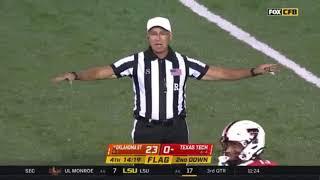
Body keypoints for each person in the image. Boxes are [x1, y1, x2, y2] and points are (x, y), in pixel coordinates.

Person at [52, 17, 279, 144]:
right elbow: (104, 71)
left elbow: (220, 73)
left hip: (177, 129)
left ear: (170, 36)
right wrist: (76, 75)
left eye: (162, 33)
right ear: (148, 37)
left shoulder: (183, 62)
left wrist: (253, 71)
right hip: (145, 129)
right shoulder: (135, 61)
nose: (158, 38)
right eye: (153, 33)